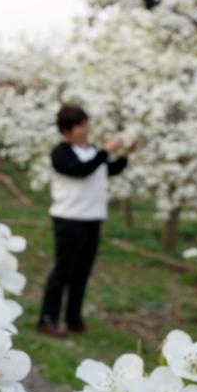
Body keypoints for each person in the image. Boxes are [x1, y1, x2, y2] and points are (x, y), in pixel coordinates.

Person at [37, 104, 129, 338]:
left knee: (82, 272)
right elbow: (81, 170)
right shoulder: (62, 153)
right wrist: (106, 151)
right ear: (67, 129)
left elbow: (107, 169)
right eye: (80, 125)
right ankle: (47, 319)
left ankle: (74, 319)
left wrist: (126, 155)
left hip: (92, 218)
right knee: (63, 270)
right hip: (69, 218)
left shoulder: (91, 152)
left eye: (86, 124)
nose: (86, 129)